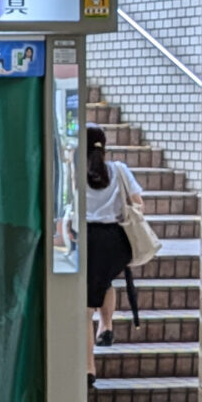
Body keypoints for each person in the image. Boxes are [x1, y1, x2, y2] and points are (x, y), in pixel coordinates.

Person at [81, 126, 146, 374]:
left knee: (85, 309)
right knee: (104, 280)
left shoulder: (75, 171)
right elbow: (139, 205)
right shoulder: (119, 170)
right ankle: (106, 326)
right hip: (116, 241)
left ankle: (89, 368)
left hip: (88, 239)